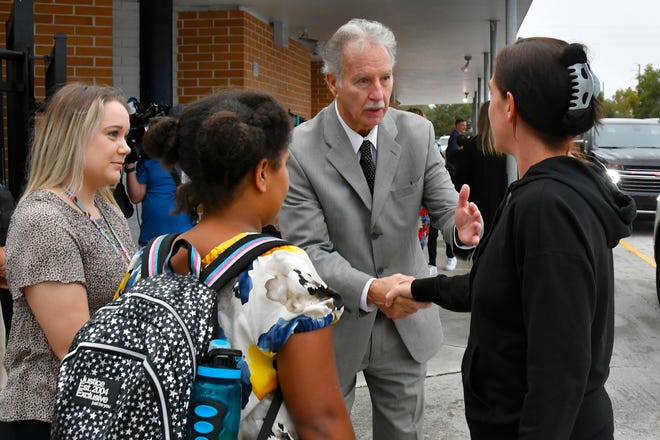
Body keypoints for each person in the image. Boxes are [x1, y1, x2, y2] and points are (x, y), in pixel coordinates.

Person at [385, 37, 636, 439]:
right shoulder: (552, 188)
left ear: (511, 106)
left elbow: (559, 370)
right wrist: (418, 287)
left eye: (492, 96)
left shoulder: (546, 205)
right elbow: (502, 288)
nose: (489, 109)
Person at [278, 18, 483, 440]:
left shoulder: (417, 132)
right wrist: (374, 290)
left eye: (386, 78)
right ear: (333, 82)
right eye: (363, 80)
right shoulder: (300, 148)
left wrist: (460, 230)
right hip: (331, 324)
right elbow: (308, 250)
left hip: (404, 324)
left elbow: (447, 209)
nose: (379, 94)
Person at [123, 89, 355, 439]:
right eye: (285, 164)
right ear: (263, 173)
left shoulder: (149, 259)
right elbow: (322, 422)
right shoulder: (284, 271)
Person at [0, 83, 136, 438]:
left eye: (126, 135)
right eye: (113, 134)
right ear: (73, 137)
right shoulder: (43, 219)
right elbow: (76, 344)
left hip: (100, 406)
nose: (125, 147)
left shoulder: (106, 209)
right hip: (49, 413)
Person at [453, 101, 508, 237]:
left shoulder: (471, 146)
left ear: (481, 120)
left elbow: (461, 181)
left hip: (476, 212)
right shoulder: (507, 148)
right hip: (502, 210)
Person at [124, 154, 195, 245]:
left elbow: (201, 196)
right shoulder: (147, 160)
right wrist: (130, 166)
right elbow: (136, 197)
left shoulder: (188, 159)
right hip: (151, 236)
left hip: (182, 235)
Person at [440, 117, 468, 271]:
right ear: (457, 125)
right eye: (462, 125)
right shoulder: (454, 137)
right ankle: (450, 256)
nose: (464, 127)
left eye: (465, 125)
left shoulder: (457, 136)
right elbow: (452, 153)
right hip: (454, 177)